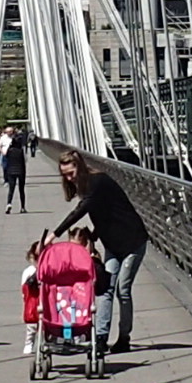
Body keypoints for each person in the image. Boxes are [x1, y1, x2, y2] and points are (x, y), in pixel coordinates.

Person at [49, 148, 147, 352]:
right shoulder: (86, 186)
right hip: (112, 244)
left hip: (132, 241)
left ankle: (124, 338)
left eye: (71, 173)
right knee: (105, 288)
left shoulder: (97, 182)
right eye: (65, 175)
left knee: (123, 290)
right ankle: (101, 337)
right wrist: (93, 237)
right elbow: (104, 211)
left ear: (80, 167)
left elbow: (81, 210)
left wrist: (55, 234)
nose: (69, 178)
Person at [1, 126, 32, 212]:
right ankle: (22, 207)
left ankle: (9, 203)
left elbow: (6, 159)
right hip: (20, 171)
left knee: (11, 189)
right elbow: (24, 161)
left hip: (11, 171)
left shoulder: (10, 151)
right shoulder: (20, 151)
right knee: (21, 190)